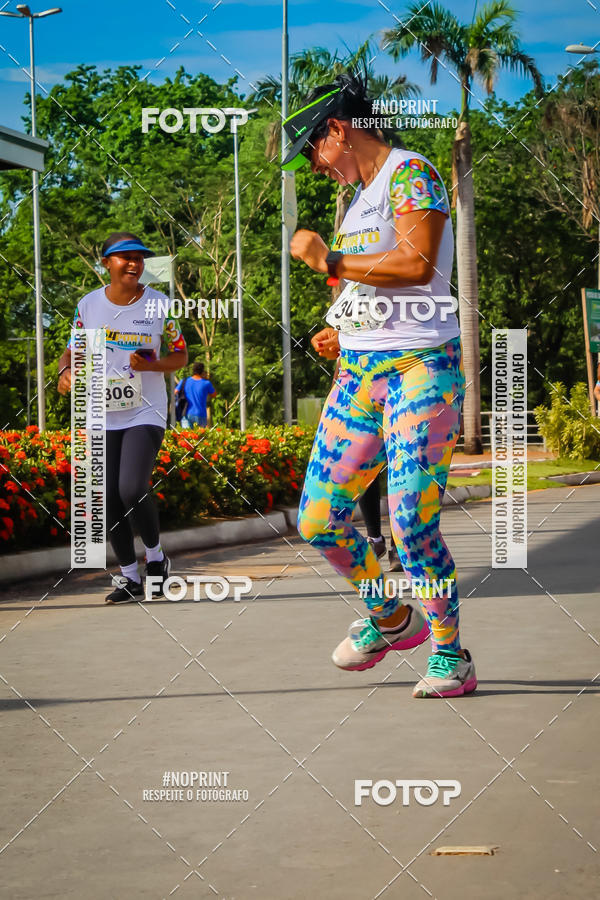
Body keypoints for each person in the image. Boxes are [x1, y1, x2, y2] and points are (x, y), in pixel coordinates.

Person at [283, 73, 476, 698]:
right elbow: (371, 289)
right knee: (317, 518)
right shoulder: (360, 199)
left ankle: (451, 657)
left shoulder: (410, 172)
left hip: (421, 367)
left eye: (312, 150)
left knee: (413, 523)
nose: (314, 167)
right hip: (359, 374)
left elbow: (419, 264)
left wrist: (325, 261)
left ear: (337, 131)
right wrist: (337, 326)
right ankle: (391, 616)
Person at [57, 231, 188, 603]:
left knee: (131, 487)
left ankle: (157, 558)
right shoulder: (89, 306)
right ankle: (130, 577)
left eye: (139, 258)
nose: (134, 264)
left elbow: (180, 356)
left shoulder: (159, 305)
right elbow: (72, 351)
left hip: (145, 410)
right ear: (107, 263)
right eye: (124, 257)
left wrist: (154, 363)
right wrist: (65, 371)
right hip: (102, 411)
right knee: (109, 497)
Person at [175, 362, 216, 428]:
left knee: (186, 436)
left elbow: (175, 391)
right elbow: (214, 394)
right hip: (201, 414)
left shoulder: (184, 381)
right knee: (200, 437)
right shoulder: (206, 383)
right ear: (202, 371)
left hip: (186, 413)